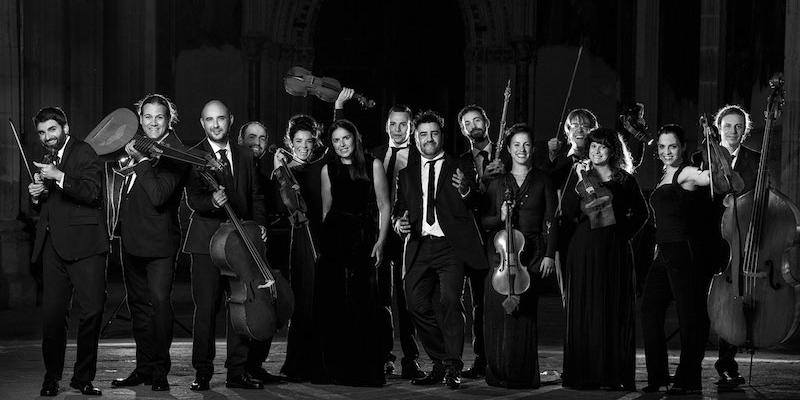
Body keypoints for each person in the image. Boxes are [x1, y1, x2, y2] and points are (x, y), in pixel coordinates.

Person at [393, 110, 489, 389]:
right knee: (414, 303)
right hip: (420, 246)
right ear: (415, 137)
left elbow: (478, 203)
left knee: (449, 301)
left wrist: (466, 192)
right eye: (423, 134)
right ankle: (440, 360)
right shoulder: (407, 173)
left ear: (441, 135)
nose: (429, 138)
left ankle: (452, 366)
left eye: (434, 133)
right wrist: (397, 222)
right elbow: (400, 208)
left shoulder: (461, 165)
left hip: (451, 247)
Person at [183, 100, 273, 391]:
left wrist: (259, 226)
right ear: (202, 123)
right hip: (206, 243)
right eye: (209, 120)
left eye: (221, 118)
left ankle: (237, 372)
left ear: (230, 120)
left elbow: (257, 195)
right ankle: (203, 372)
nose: (216, 125)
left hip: (241, 240)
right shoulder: (194, 155)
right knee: (206, 309)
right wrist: (211, 201)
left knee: (240, 305)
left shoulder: (246, 155)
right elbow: (193, 199)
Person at [111, 94, 188, 392]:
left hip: (159, 246)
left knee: (158, 306)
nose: (153, 122)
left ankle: (159, 371)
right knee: (138, 308)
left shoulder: (176, 153)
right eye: (148, 117)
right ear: (140, 119)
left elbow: (158, 196)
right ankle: (143, 368)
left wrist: (140, 161)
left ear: (169, 120)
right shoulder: (139, 146)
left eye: (159, 117)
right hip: (131, 242)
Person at [561, 127, 647, 391]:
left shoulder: (624, 179)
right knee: (586, 307)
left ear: (613, 150)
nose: (597, 151)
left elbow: (642, 214)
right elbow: (566, 214)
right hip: (584, 250)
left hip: (614, 251)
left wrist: (622, 235)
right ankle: (584, 374)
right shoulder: (580, 177)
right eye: (593, 146)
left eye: (603, 146)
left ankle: (612, 374)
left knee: (612, 308)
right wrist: (579, 181)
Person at [29, 107, 107, 396]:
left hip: (86, 246)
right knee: (52, 317)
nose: (47, 137)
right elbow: (50, 207)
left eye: (51, 130)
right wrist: (37, 196)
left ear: (64, 127)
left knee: (92, 311)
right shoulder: (48, 158)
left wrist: (59, 176)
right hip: (54, 247)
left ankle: (83, 378)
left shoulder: (84, 151)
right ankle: (51, 378)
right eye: (41, 132)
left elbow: (92, 193)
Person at [314, 119, 391, 387]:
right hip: (334, 238)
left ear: (355, 138)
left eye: (346, 138)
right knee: (334, 303)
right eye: (336, 140)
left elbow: (384, 205)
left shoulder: (374, 164)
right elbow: (326, 210)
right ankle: (337, 370)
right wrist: (323, 246)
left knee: (364, 301)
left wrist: (380, 241)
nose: (342, 144)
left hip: (363, 237)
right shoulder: (328, 169)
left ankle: (365, 371)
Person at [480, 123, 557, 388]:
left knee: (524, 316)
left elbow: (551, 219)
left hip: (532, 256)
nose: (521, 149)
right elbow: (484, 221)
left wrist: (549, 254)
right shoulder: (498, 181)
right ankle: (499, 371)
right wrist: (499, 217)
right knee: (499, 315)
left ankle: (522, 373)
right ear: (509, 150)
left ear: (532, 148)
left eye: (526, 144)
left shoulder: (543, 179)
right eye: (516, 145)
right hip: (501, 255)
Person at [641, 124, 713, 395]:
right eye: (662, 147)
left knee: (688, 316)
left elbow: (709, 178)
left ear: (682, 147)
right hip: (664, 252)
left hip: (682, 251)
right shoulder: (665, 173)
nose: (666, 151)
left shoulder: (686, 173)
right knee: (649, 311)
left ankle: (689, 379)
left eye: (672, 146)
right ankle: (658, 376)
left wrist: (712, 151)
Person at [694, 105, 756, 389]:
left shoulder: (757, 159)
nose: (733, 131)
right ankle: (690, 362)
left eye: (739, 126)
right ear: (718, 127)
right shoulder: (701, 157)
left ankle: (727, 363)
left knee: (732, 300)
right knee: (699, 299)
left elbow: (760, 196)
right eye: (728, 125)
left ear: (745, 130)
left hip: (739, 237)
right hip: (707, 236)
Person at [366, 103, 426, 379]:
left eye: (403, 124)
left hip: (406, 234)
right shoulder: (375, 155)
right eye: (393, 124)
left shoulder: (419, 154)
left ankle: (411, 358)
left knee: (406, 298)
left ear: (411, 127)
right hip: (378, 235)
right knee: (379, 297)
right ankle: (383, 354)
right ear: (386, 126)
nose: (398, 129)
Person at [273, 114, 328, 382]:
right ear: (290, 143)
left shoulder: (321, 166)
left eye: (309, 141)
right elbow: (281, 204)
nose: (304, 146)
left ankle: (323, 363)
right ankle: (299, 363)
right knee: (303, 302)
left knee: (323, 302)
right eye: (298, 141)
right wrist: (280, 169)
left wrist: (338, 106)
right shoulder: (284, 171)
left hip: (323, 239)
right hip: (300, 242)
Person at [456, 104, 502, 379]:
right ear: (463, 130)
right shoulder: (460, 161)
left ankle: (502, 356)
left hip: (503, 239)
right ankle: (482, 359)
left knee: (501, 300)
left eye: (477, 120)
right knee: (478, 304)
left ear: (487, 122)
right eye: (467, 123)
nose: (473, 125)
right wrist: (478, 183)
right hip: (474, 239)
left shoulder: (506, 152)